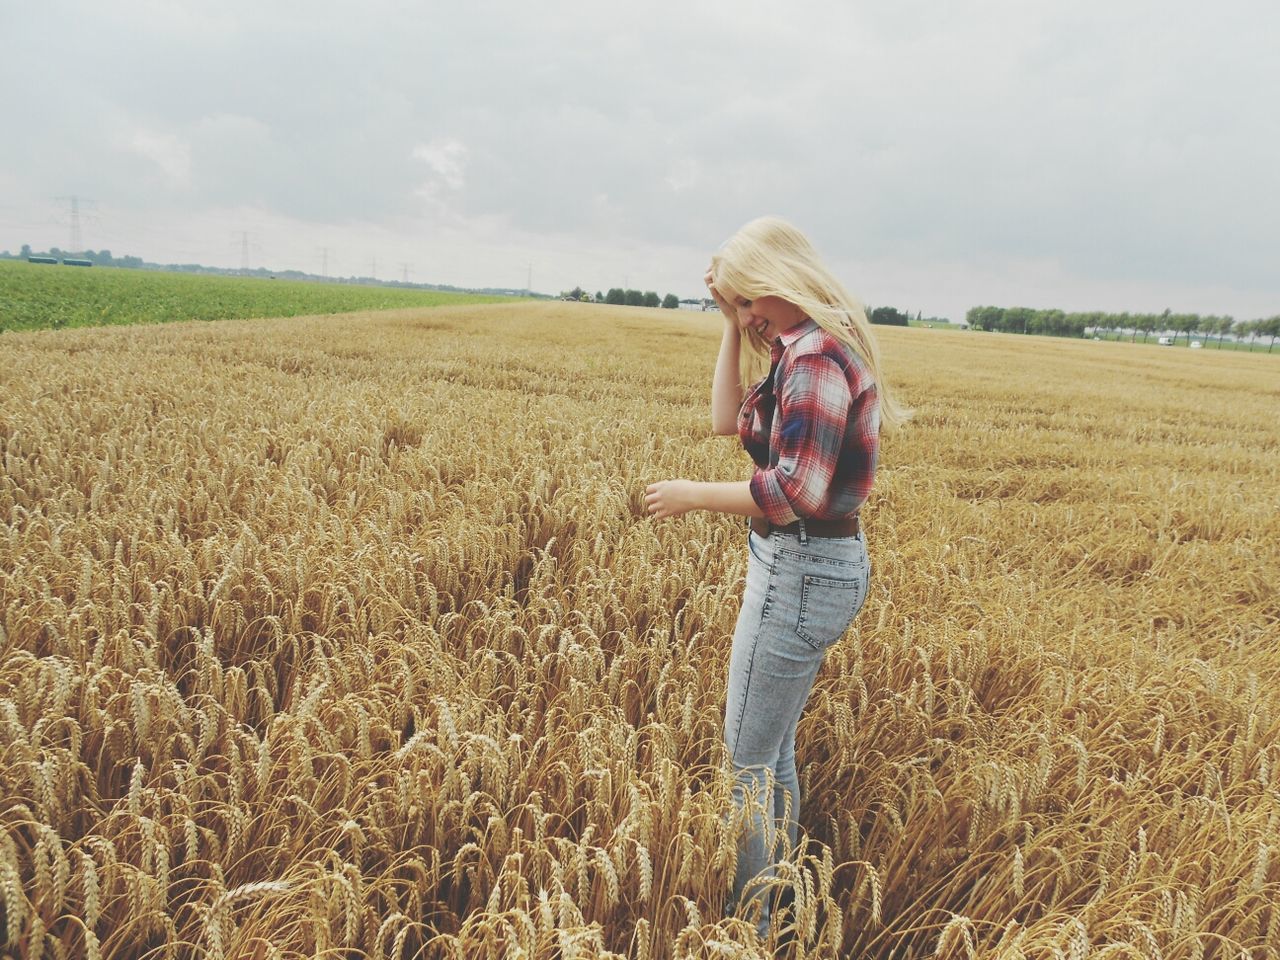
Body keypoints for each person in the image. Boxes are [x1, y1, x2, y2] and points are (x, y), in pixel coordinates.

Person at [644, 216, 909, 937]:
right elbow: (725, 420)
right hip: (803, 568)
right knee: (770, 755)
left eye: (750, 300)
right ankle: (781, 905)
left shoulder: (818, 358)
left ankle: (754, 927)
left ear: (778, 282)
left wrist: (693, 496)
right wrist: (731, 324)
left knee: (747, 763)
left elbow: (793, 493)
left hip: (801, 571)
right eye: (738, 304)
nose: (750, 315)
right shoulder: (797, 349)